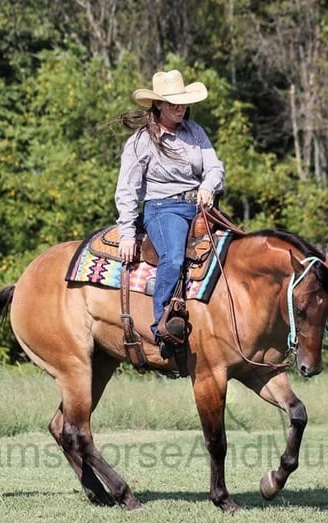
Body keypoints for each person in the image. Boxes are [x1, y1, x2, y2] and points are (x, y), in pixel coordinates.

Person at [114, 69, 225, 351]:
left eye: (183, 102)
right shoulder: (141, 141)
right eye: (173, 102)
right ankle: (162, 325)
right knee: (173, 257)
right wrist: (127, 234)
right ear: (159, 104)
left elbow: (214, 167)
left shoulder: (195, 132)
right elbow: (127, 189)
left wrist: (208, 186)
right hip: (163, 209)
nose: (180, 107)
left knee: (234, 250)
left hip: (200, 208)